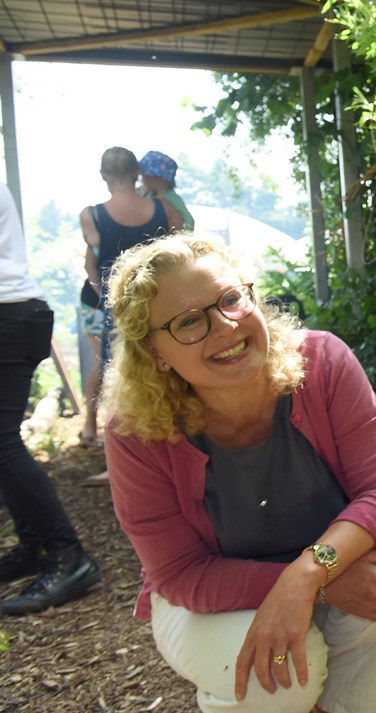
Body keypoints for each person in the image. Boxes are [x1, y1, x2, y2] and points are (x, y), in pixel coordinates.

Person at [102, 235, 376, 712]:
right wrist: (316, 582)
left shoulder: (322, 363)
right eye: (189, 322)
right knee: (282, 676)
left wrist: (310, 574)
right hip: (209, 604)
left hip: (324, 565)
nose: (224, 326)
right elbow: (181, 574)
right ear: (155, 353)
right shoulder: (136, 431)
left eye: (230, 299)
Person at [0, 181, 103, 615]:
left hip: (9, 313)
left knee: (2, 444)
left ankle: (68, 555)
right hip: (16, 312)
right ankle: (37, 545)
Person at [81, 146, 183, 366]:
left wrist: (105, 295)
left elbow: (90, 265)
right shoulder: (165, 209)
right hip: (159, 302)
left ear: (103, 174)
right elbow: (181, 252)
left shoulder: (91, 216)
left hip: (117, 310)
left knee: (117, 372)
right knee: (165, 366)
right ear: (137, 172)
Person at [78, 278, 105, 447]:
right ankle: (90, 424)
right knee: (103, 365)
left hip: (124, 301)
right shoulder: (95, 250)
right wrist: (107, 297)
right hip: (96, 302)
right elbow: (90, 266)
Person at [139, 150, 195, 231]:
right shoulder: (148, 194)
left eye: (143, 176)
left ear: (152, 177)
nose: (142, 180)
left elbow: (189, 220)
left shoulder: (172, 197)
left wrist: (182, 238)